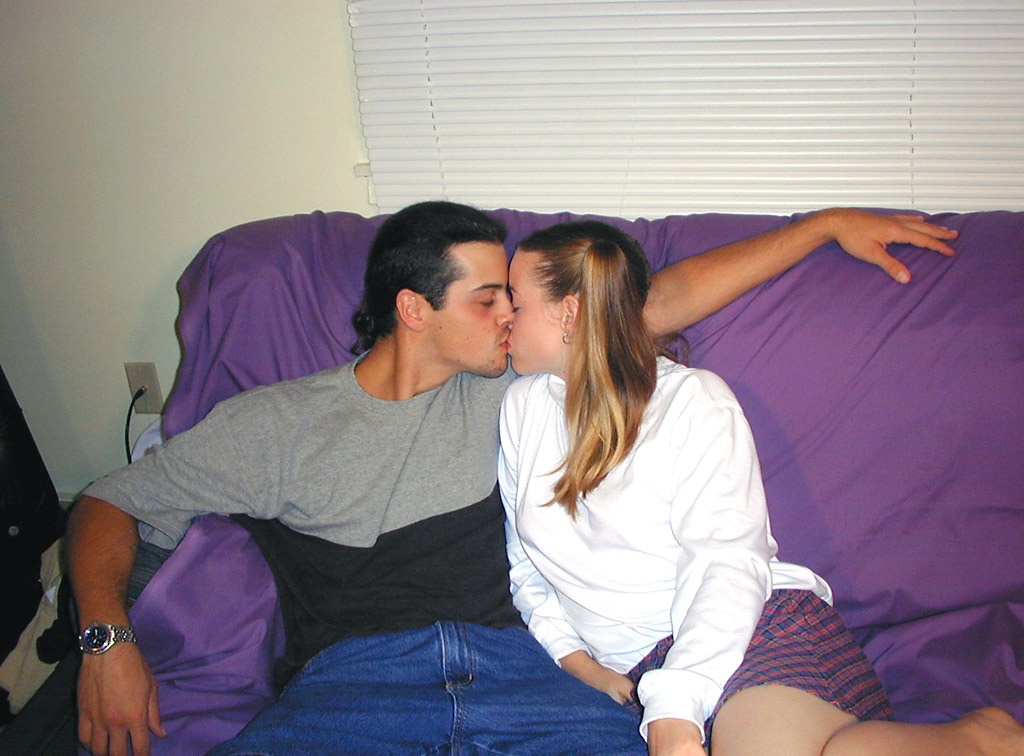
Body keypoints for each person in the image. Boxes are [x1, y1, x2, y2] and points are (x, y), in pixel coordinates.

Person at [66, 201, 961, 756]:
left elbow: (639, 306)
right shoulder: (280, 425)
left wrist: (819, 227)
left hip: (533, 682)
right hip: (359, 689)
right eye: (487, 297)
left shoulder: (523, 388)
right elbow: (110, 500)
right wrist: (107, 639)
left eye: (515, 299)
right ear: (414, 309)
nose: (507, 316)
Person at [498, 219, 1024, 756]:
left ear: (569, 313)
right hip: (642, 672)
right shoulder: (522, 410)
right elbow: (527, 568)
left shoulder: (692, 402)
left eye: (515, 301)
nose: (503, 316)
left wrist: (676, 703)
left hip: (750, 631)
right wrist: (578, 663)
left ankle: (979, 738)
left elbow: (727, 561)